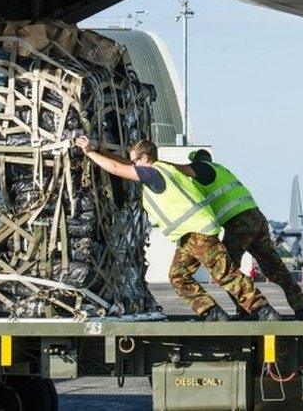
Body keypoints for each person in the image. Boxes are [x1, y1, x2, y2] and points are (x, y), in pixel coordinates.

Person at [74, 136, 281, 322]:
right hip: (189, 234)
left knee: (224, 274)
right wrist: (103, 152)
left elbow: (119, 169)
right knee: (178, 276)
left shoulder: (154, 174)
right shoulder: (163, 169)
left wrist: (90, 153)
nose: (133, 164)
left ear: (145, 158)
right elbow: (126, 164)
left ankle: (263, 310)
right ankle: (213, 313)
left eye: (136, 160)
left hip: (197, 231)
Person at [188, 149, 303, 320]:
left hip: (238, 223)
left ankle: (248, 310)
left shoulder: (202, 170)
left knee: (226, 271)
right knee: (276, 268)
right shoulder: (221, 171)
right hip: (257, 218)